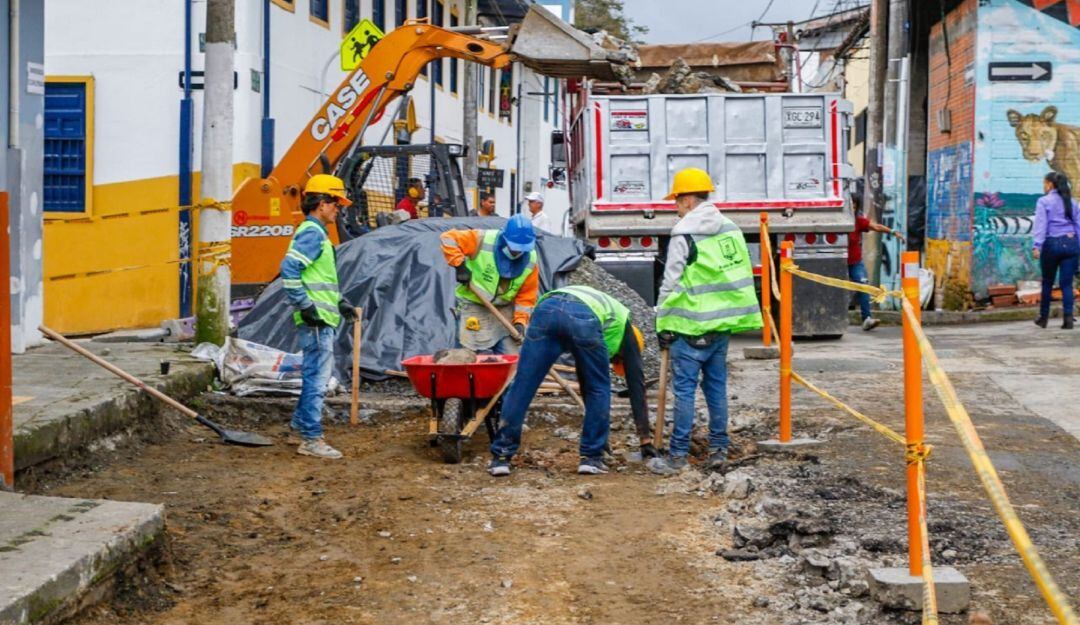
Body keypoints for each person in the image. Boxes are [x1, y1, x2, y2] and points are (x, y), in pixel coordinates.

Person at [648, 168, 763, 475]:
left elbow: (671, 281)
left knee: (684, 391)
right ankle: (718, 450)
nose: (674, 206)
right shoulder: (731, 229)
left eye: (676, 200)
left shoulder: (684, 232)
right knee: (716, 389)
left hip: (690, 328)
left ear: (686, 199)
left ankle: (677, 456)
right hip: (722, 326)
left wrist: (661, 320)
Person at [488, 285, 658, 476]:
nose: (612, 363)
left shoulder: (608, 316)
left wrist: (598, 429)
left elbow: (585, 379)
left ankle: (500, 458)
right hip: (582, 316)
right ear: (622, 355)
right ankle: (591, 458)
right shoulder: (626, 335)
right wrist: (645, 440)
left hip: (546, 309)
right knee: (600, 389)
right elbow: (636, 385)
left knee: (522, 385)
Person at [280, 174, 358, 459]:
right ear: (322, 204)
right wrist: (305, 306)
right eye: (336, 203)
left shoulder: (316, 234)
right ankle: (311, 439)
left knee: (315, 374)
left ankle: (299, 427)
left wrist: (340, 302)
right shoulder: (312, 233)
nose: (338, 209)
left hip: (322, 317)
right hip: (316, 320)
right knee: (317, 378)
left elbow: (319, 279)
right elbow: (289, 270)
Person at [439, 214, 539, 354]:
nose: (518, 252)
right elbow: (448, 238)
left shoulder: (531, 261)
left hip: (504, 312)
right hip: (474, 305)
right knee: (467, 358)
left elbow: (526, 297)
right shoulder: (482, 239)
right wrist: (459, 265)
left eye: (522, 249)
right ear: (505, 238)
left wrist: (520, 322)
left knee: (511, 360)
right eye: (515, 247)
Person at [848, 195, 904, 331]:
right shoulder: (837, 223)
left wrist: (892, 231)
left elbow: (876, 227)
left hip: (854, 262)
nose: (852, 209)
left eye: (854, 207)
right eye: (850, 206)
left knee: (863, 285)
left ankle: (866, 318)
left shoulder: (858, 222)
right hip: (837, 262)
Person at [1034, 171, 1080, 329]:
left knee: (1047, 282)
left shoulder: (1044, 201)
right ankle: (1068, 318)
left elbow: (1041, 225)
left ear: (1050, 184)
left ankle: (1043, 318)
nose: (1044, 186)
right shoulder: (1072, 202)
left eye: (1044, 183)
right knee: (1067, 285)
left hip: (1051, 244)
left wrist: (1037, 245)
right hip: (1071, 242)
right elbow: (1078, 226)